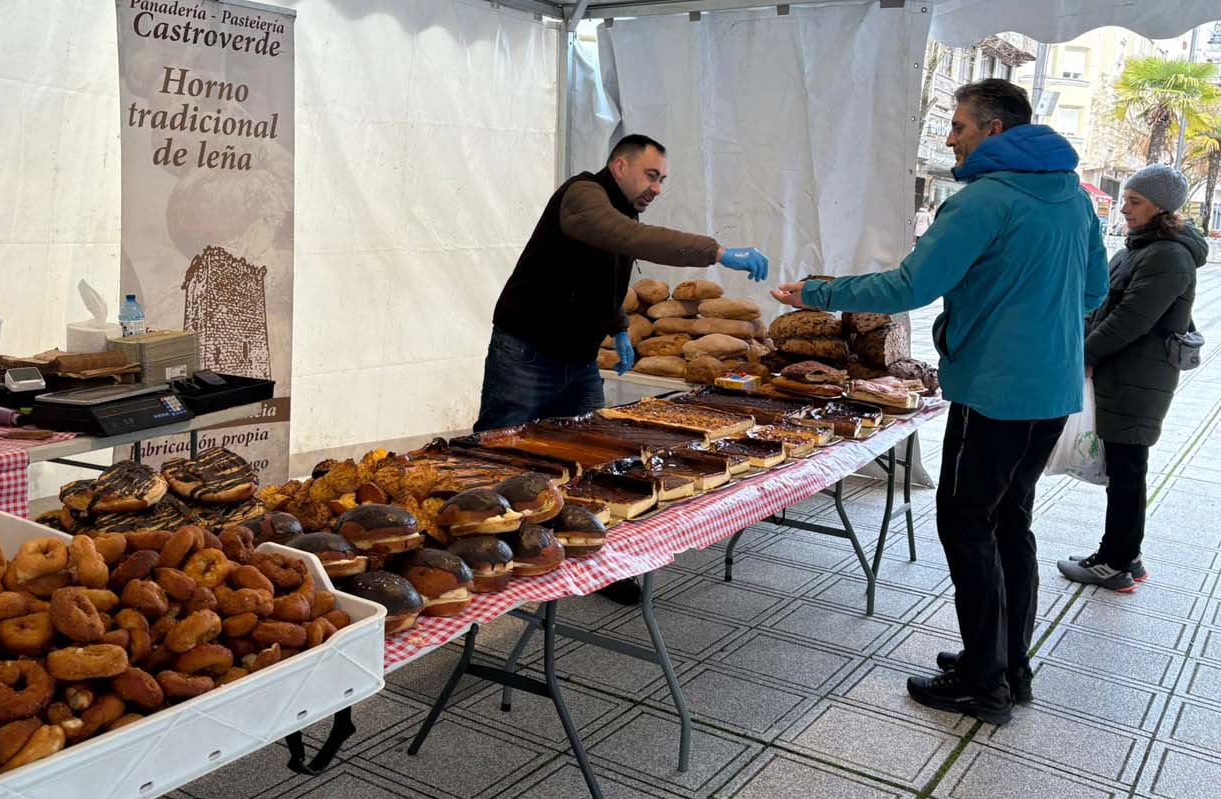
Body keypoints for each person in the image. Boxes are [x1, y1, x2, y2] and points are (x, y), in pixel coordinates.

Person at [771, 79, 1109, 725]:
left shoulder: (983, 199)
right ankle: (1007, 664)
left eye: (958, 126)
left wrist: (817, 292)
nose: (950, 138)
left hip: (993, 393)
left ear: (994, 130)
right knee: (1010, 522)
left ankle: (984, 684)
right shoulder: (1072, 198)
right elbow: (1092, 292)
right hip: (1052, 390)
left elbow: (910, 285)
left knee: (965, 525)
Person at [475, 134, 769, 432]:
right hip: (529, 353)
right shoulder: (583, 195)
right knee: (498, 445)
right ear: (620, 167)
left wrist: (618, 327)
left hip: (581, 360)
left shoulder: (624, 207)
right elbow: (632, 238)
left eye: (661, 180)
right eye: (651, 176)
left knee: (588, 443)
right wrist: (717, 252)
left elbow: (601, 274)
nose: (657, 189)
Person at [1058, 165, 1207, 590]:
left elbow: (1131, 319)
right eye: (1126, 199)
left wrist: (1085, 355)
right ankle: (1128, 556)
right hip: (1124, 374)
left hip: (1138, 379)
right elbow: (1105, 303)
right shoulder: (1142, 247)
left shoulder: (1168, 255)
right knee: (1126, 467)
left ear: (1161, 207)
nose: (1124, 208)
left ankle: (1115, 562)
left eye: (1135, 201)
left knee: (1127, 470)